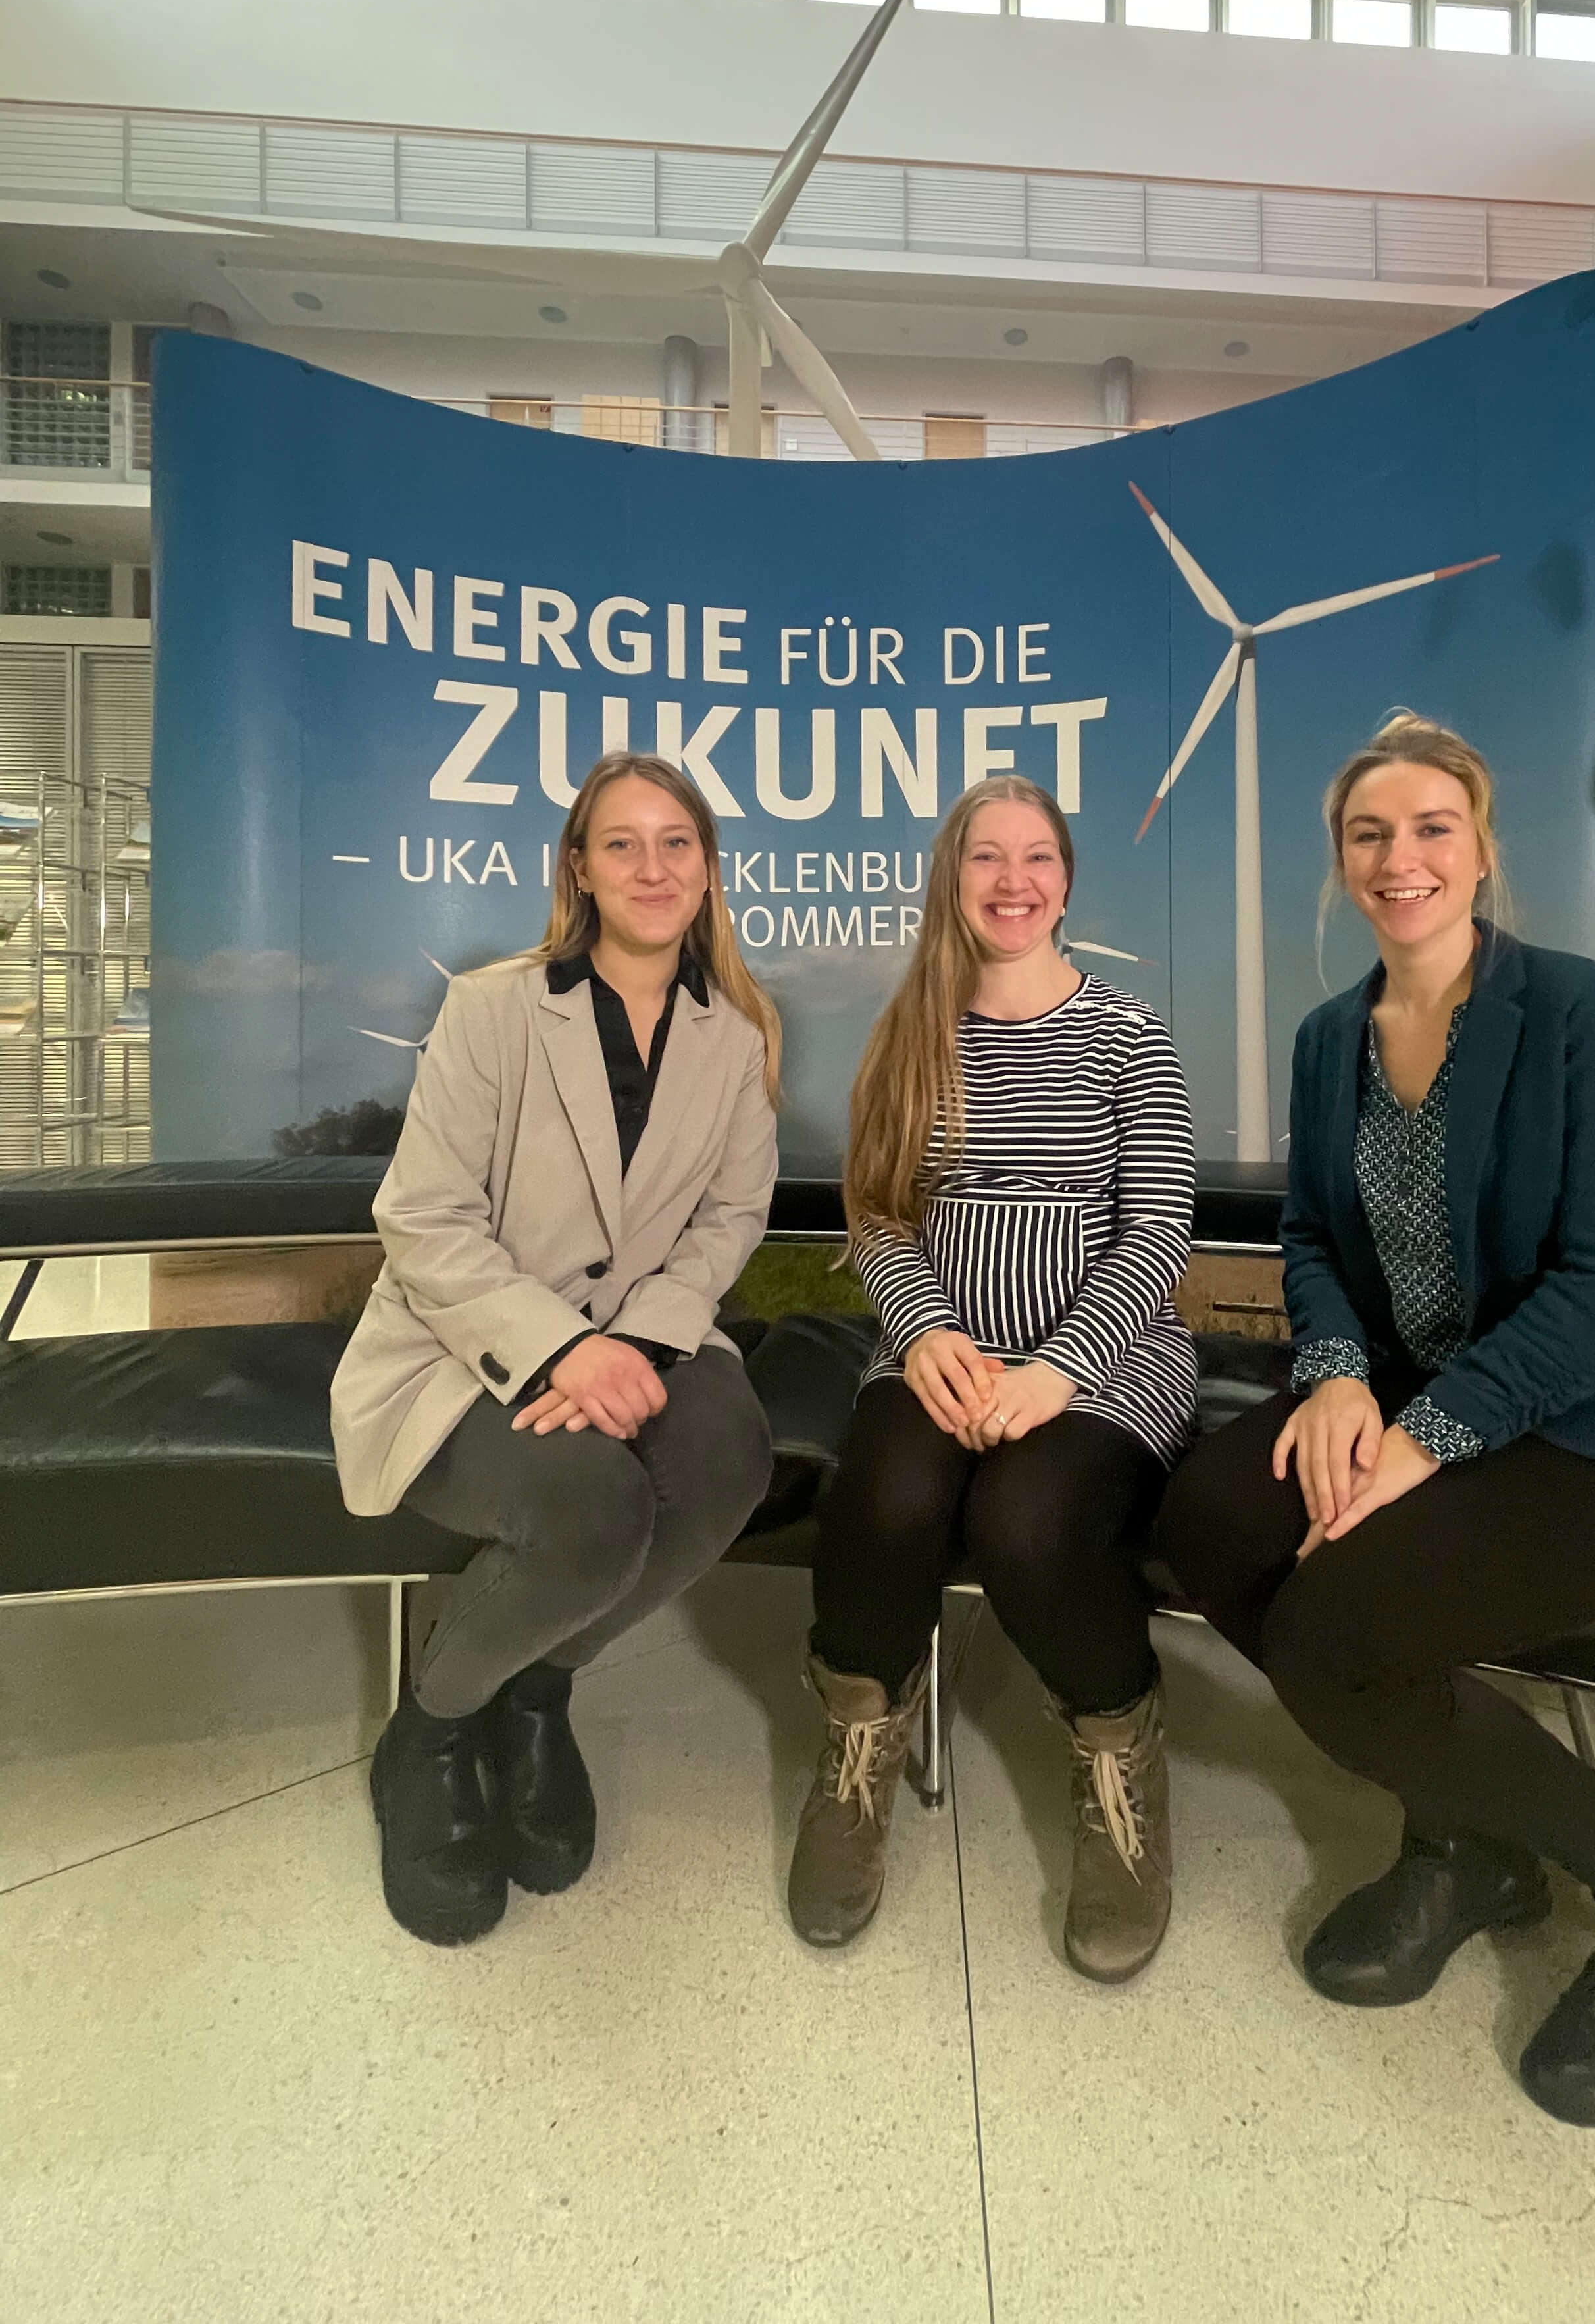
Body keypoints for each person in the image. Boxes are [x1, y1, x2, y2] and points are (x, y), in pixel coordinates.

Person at [1158, 711, 1595, 2127]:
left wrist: (1424, 1441)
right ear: (1341, 863)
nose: (1402, 857)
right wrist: (1336, 1375)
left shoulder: (1573, 1011)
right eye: (1370, 834)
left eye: (1433, 828)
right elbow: (1314, 1238)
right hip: (1403, 1396)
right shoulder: (1331, 1040)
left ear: (1483, 852)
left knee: (1335, 1634)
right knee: (1210, 1517)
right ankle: (1474, 1843)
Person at [331, 753, 780, 1946]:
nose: (652, 867)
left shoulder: (736, 1040)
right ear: (579, 867)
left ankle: (535, 1690)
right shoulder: (493, 1009)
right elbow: (424, 1220)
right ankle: (432, 1730)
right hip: (459, 1346)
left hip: (646, 1331)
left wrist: (630, 1342)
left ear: (707, 870)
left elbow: (729, 1221)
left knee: (728, 1457)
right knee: (592, 1507)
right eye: (621, 843)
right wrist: (560, 1354)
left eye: (677, 843)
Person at [788, 776, 1196, 1982]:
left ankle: (1119, 1752)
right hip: (941, 1349)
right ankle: (860, 1741)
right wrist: (921, 1334)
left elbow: (1158, 1231)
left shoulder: (1129, 1033)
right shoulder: (910, 1033)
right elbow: (876, 1214)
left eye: (1037, 858)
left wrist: (1060, 1371)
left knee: (1027, 1521)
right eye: (985, 858)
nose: (1013, 881)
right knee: (887, 1500)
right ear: (950, 881)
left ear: (1066, 881)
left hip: (1104, 1360)